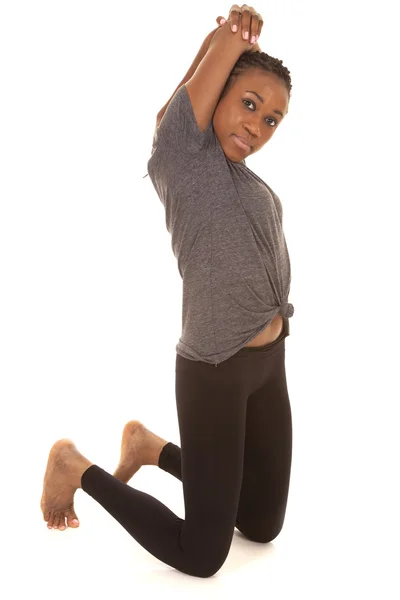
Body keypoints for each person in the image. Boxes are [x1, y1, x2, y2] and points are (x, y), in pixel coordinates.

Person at [40, 6, 294, 579]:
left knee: (262, 523)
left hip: (269, 366)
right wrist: (229, 36)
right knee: (203, 554)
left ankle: (149, 448)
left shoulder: (249, 181)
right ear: (214, 99)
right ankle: (74, 465)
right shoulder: (184, 161)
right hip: (215, 370)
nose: (257, 126)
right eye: (249, 104)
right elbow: (174, 111)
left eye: (273, 119)